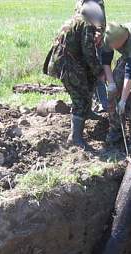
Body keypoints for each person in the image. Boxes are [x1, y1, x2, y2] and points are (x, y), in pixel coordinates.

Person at [44, 2, 105, 148]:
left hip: (63, 61)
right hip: (68, 64)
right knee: (80, 99)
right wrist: (100, 72)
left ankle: (87, 112)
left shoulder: (73, 19)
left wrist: (93, 74)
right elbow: (89, 53)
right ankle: (75, 138)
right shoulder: (86, 25)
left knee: (88, 82)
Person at [74, 0, 109, 112]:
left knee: (97, 69)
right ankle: (93, 103)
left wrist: (99, 33)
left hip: (94, 38)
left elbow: (100, 18)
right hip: (83, 37)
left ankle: (104, 102)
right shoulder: (80, 2)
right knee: (86, 72)